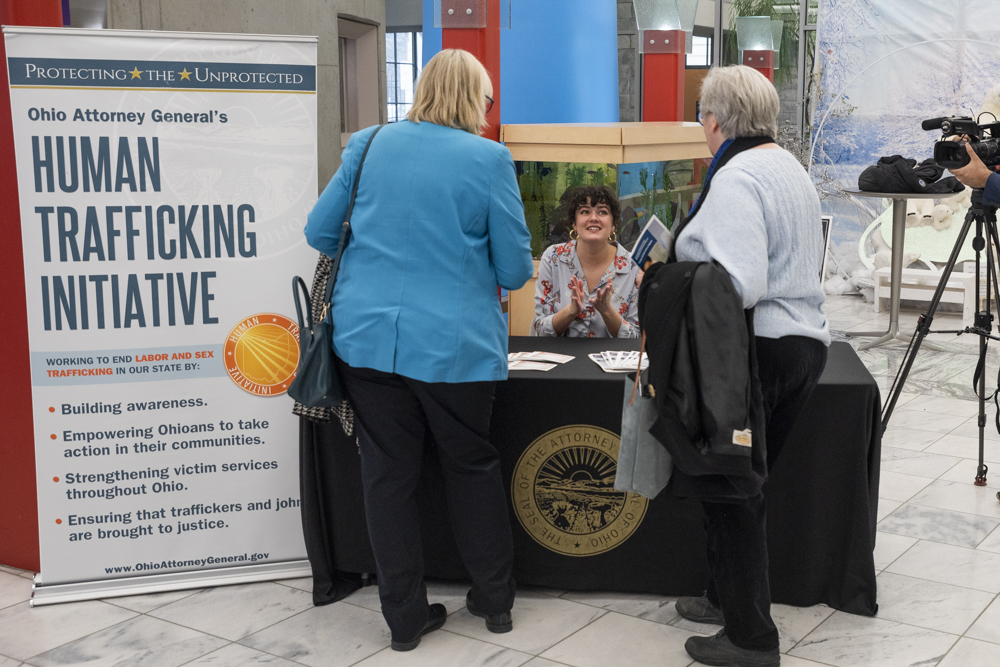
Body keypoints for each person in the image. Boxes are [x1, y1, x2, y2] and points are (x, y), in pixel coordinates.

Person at [303, 49, 533, 651]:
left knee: (386, 477)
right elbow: (513, 270)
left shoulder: (370, 144)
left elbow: (320, 232)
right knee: (471, 465)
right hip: (455, 348)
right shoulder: (489, 159)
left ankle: (403, 618)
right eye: (487, 100)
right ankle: (494, 600)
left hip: (368, 341)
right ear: (475, 100)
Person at [669, 65, 831, 667]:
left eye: (700, 114)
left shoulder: (736, 177)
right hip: (804, 344)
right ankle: (722, 597)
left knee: (732, 490)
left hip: (755, 350)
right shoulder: (786, 166)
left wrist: (676, 279)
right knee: (743, 486)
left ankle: (751, 638)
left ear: (712, 119)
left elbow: (740, 282)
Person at [530, 185, 641, 338]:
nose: (593, 218)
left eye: (602, 212)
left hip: (613, 361)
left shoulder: (634, 267)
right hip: (562, 358)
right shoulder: (552, 258)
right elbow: (540, 330)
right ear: (574, 223)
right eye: (585, 212)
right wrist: (571, 311)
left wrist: (607, 311)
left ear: (613, 224)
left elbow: (636, 339)